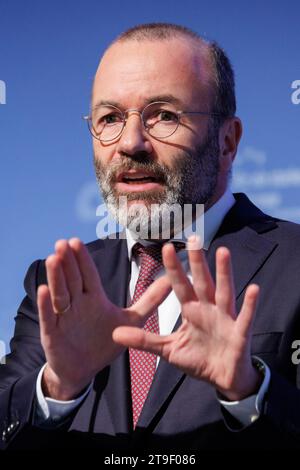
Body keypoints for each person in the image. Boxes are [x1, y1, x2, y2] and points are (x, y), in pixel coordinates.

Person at [1, 22, 300, 452]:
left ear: (228, 142)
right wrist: (57, 390)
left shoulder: (293, 263)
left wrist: (249, 391)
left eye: (164, 115)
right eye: (110, 118)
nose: (131, 142)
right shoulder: (56, 284)